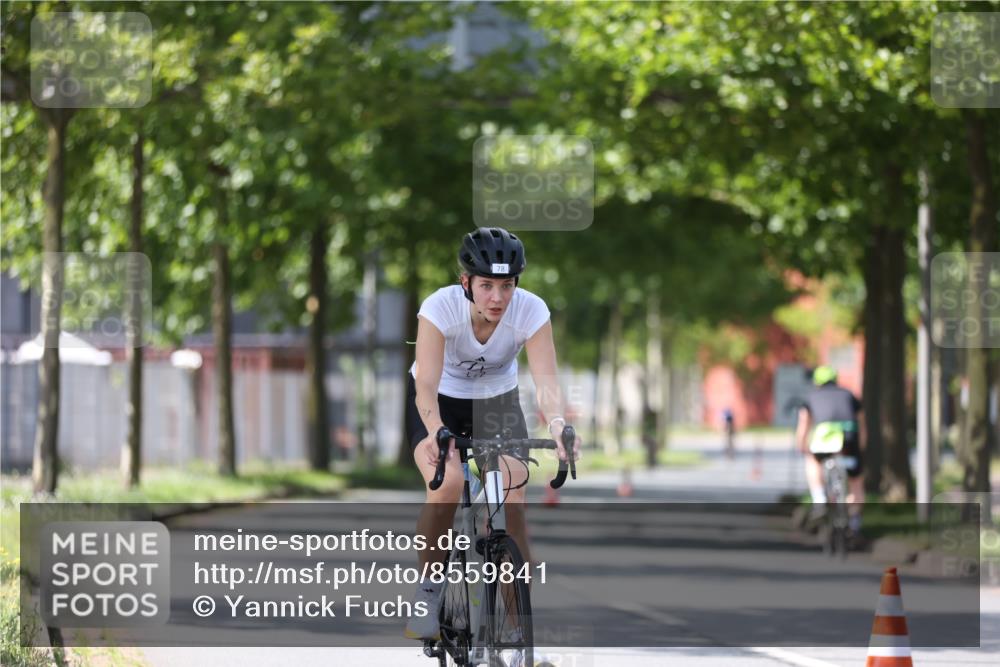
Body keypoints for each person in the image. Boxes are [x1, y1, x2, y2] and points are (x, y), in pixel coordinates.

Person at [404, 226, 580, 640]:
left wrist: (557, 425)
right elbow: (424, 386)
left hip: (496, 403)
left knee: (512, 497)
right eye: (486, 286)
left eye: (506, 286)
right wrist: (435, 432)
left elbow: (547, 382)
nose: (497, 298)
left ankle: (519, 634)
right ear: (466, 282)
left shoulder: (531, 311)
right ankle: (428, 594)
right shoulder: (439, 308)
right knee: (446, 482)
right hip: (439, 403)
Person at [794, 366, 866, 534]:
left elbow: (804, 423)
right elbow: (862, 424)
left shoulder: (811, 397)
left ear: (817, 382)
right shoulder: (849, 395)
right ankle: (855, 520)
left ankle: (819, 499)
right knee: (856, 482)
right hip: (849, 439)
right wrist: (860, 448)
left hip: (823, 440)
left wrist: (802, 445)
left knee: (812, 460)